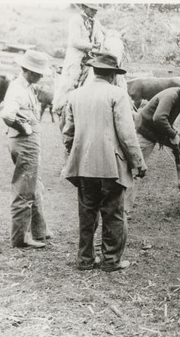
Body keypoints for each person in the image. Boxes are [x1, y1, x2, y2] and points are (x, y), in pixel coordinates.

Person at [61, 52, 147, 272]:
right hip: (111, 167)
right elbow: (127, 134)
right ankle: (110, 260)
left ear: (94, 70)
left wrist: (73, 156)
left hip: (83, 166)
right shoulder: (117, 95)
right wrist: (138, 161)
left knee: (87, 214)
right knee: (114, 213)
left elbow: (68, 133)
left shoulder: (75, 95)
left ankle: (85, 260)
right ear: (112, 74)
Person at [124, 76, 180, 215]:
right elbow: (158, 118)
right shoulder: (171, 96)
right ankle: (123, 210)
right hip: (146, 132)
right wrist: (173, 135)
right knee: (136, 170)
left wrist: (172, 134)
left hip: (161, 130)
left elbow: (166, 120)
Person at [1, 50, 53, 249]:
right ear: (29, 71)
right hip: (25, 141)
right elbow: (7, 114)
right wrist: (23, 127)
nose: (41, 76)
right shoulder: (18, 89)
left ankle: (40, 230)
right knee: (25, 189)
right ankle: (20, 238)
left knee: (34, 185)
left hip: (28, 141)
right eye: (39, 73)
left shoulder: (26, 86)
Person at [53, 3, 104, 121]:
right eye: (92, 10)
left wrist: (99, 45)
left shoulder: (96, 22)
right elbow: (75, 41)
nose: (94, 12)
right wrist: (92, 45)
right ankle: (60, 106)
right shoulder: (75, 20)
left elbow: (100, 37)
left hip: (91, 56)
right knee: (70, 79)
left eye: (96, 10)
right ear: (84, 8)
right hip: (75, 55)